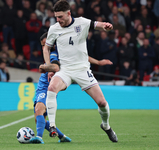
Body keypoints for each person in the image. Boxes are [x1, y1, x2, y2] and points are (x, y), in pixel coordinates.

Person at [42, 0, 118, 142]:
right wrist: (49, 67)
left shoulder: (81, 23)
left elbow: (97, 25)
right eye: (56, 17)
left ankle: (106, 126)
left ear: (69, 13)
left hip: (82, 70)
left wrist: (106, 26)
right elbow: (46, 47)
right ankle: (52, 125)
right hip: (65, 69)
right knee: (51, 87)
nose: (58, 20)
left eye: (61, 17)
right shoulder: (54, 29)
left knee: (102, 102)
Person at [31, 32, 113, 144]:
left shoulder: (56, 53)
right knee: (38, 118)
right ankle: (62, 137)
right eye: (42, 45)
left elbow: (56, 65)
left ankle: (39, 138)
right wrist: (98, 62)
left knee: (38, 110)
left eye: (46, 44)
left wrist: (45, 67)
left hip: (47, 87)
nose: (45, 47)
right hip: (43, 86)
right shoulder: (54, 54)